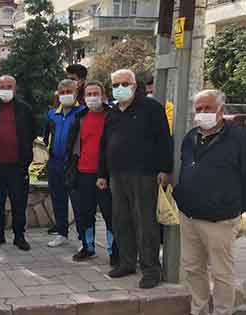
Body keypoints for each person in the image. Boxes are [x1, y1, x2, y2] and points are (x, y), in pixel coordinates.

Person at [97, 69, 173, 289]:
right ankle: (127, 262)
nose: (120, 88)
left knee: (145, 223)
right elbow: (104, 144)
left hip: (144, 174)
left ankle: (150, 269)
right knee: (121, 220)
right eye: (116, 84)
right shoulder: (112, 112)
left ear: (134, 85)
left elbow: (163, 140)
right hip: (116, 175)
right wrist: (102, 173)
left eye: (124, 83)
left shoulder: (151, 108)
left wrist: (164, 169)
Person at [173, 89, 246, 315]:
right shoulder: (191, 136)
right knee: (192, 267)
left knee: (221, 272)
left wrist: (234, 207)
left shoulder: (238, 138)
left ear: (221, 110)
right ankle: (199, 309)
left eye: (208, 108)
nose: (202, 113)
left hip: (220, 219)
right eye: (199, 109)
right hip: (189, 215)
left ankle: (223, 311)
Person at [0, 75, 37, 251]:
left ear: (15, 88)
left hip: (17, 167)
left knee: (18, 202)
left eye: (9, 86)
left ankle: (19, 236)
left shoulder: (25, 109)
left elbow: (32, 133)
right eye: (2, 86)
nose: (5, 90)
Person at [65, 81, 118, 266]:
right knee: (85, 213)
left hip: (107, 174)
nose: (92, 97)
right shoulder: (80, 117)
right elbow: (71, 145)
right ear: (83, 97)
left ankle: (114, 251)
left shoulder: (113, 116)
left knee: (110, 214)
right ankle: (88, 247)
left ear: (103, 96)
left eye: (96, 93)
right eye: (89, 94)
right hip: (83, 173)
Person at [43, 79, 84, 247]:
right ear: (58, 94)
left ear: (76, 93)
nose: (66, 94)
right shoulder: (52, 114)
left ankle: (84, 238)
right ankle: (61, 233)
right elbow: (46, 136)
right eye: (63, 92)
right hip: (55, 162)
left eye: (70, 91)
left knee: (78, 202)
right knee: (58, 199)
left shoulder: (83, 112)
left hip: (75, 164)